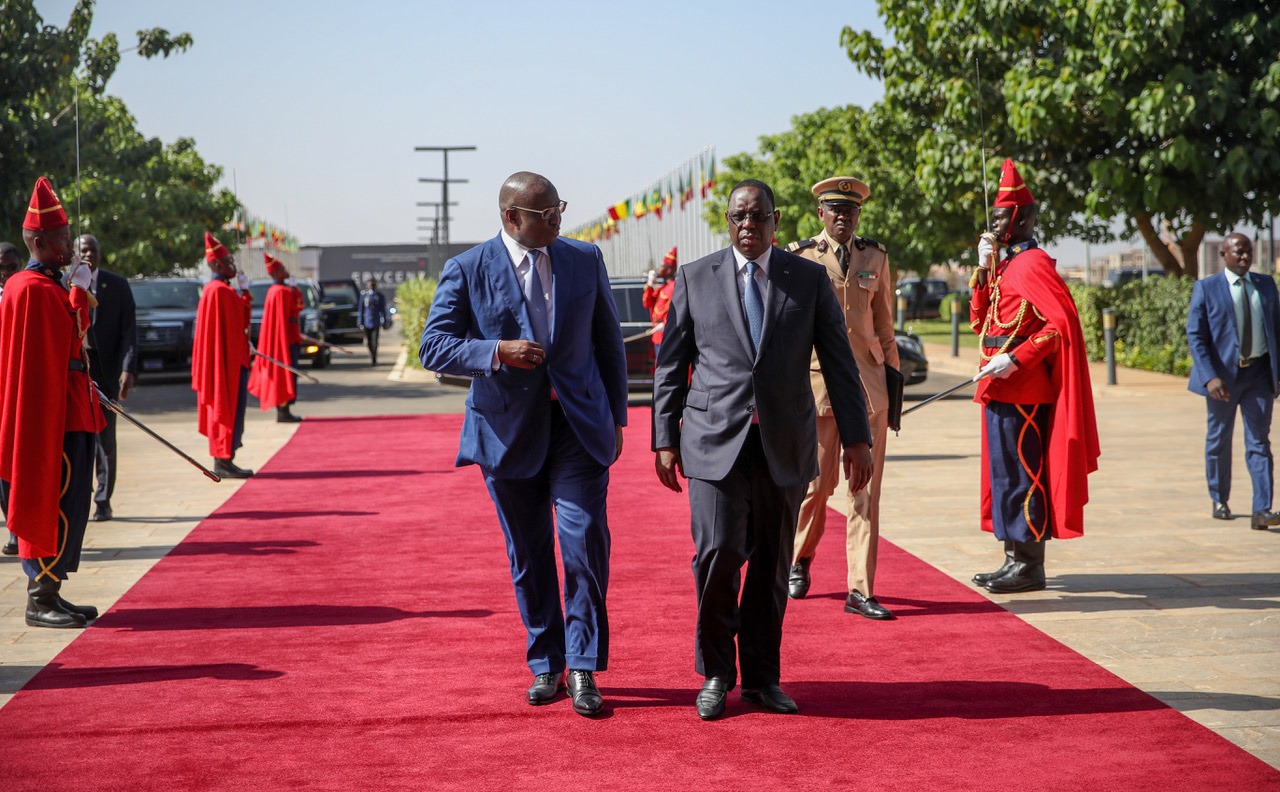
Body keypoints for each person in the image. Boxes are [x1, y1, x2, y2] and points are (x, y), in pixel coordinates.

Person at [652, 179, 874, 721]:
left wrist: (857, 437)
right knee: (718, 555)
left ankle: (761, 679)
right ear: (728, 222)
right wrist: (663, 437)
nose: (748, 226)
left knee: (773, 565)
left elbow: (840, 364)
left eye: (758, 217)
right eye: (738, 218)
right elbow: (671, 364)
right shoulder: (695, 277)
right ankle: (715, 673)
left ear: (776, 221)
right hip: (711, 442)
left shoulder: (809, 278)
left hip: (783, 442)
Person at [420, 171, 628, 718]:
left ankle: (583, 665)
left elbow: (608, 342)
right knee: (529, 557)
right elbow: (434, 347)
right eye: (545, 214)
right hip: (507, 434)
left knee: (583, 544)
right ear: (511, 217)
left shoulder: (585, 259)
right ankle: (547, 665)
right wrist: (496, 351)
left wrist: (618, 419)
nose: (558, 220)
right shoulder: (467, 269)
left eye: (559, 208)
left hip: (578, 429)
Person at [968, 159, 1100, 593]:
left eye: (1002, 217)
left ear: (1022, 218)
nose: (996, 225)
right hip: (998, 387)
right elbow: (981, 321)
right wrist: (983, 272)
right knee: (1005, 475)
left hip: (1023, 389)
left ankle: (1029, 564)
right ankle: (1012, 555)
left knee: (1023, 474)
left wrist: (1016, 360)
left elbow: (1058, 326)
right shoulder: (1007, 266)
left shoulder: (1034, 264)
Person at [786, 176, 900, 620]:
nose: (843, 217)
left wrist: (893, 390)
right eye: (835, 210)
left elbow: (884, 328)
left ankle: (860, 590)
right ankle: (799, 558)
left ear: (858, 215)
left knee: (865, 492)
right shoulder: (800, 258)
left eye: (850, 211)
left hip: (869, 390)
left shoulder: (875, 256)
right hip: (818, 389)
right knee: (818, 487)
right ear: (821, 214)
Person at [0, 177, 106, 627]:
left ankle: (52, 590)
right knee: (57, 497)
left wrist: (77, 293)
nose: (70, 245)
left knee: (72, 500)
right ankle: (38, 597)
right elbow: (55, 350)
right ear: (39, 242)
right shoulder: (32, 290)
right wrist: (76, 294)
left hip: (69, 406)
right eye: (62, 238)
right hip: (51, 416)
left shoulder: (48, 286)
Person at [1186, 233, 1280, 530]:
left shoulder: (1266, 285)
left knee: (1259, 442)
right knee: (1219, 440)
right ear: (1224, 255)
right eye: (1238, 252)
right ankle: (1219, 498)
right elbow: (1196, 336)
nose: (1244, 257)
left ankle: (1262, 509)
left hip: (1259, 376)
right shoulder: (1206, 288)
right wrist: (1209, 376)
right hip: (1222, 379)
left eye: (1248, 252)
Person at [72, 234, 137, 523]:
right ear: (75, 253)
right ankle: (76, 500)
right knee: (77, 441)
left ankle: (103, 500)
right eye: (83, 250)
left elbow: (129, 332)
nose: (89, 254)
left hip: (107, 374)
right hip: (75, 376)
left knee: (105, 441)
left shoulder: (118, 285)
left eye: (94, 249)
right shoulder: (65, 284)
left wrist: (128, 369)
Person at [192, 232, 254, 478]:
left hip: (230, 361)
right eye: (228, 261)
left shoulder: (219, 290)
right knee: (226, 409)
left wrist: (244, 293)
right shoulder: (219, 292)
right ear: (216, 264)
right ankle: (223, 460)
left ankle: (226, 458)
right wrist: (244, 295)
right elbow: (241, 322)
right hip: (225, 364)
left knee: (232, 410)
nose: (233, 265)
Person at [249, 254, 303, 423]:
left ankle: (285, 409)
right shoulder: (282, 292)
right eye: (281, 269)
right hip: (286, 340)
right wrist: (295, 290)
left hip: (288, 337)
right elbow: (298, 307)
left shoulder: (277, 291)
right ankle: (283, 410)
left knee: (288, 374)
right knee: (286, 374)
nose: (285, 271)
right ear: (276, 273)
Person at [0, 241, 22, 556]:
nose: (4, 274)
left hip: (17, 389)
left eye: (10, 267)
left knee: (17, 459)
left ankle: (19, 528)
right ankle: (13, 524)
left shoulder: (24, 292)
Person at [642, 246, 677, 356]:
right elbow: (647, 302)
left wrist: (664, 325)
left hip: (666, 335)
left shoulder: (673, 287)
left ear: (669, 269)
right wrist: (650, 284)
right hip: (657, 336)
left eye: (662, 266)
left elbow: (675, 311)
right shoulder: (662, 288)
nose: (658, 269)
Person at [358, 277, 390, 366]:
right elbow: (361, 309)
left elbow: (383, 310)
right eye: (371, 283)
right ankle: (372, 354)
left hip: (376, 322)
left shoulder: (379, 296)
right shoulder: (365, 295)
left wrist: (385, 321)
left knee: (375, 341)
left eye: (374, 283)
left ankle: (374, 358)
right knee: (368, 342)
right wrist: (360, 321)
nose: (372, 285)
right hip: (367, 322)